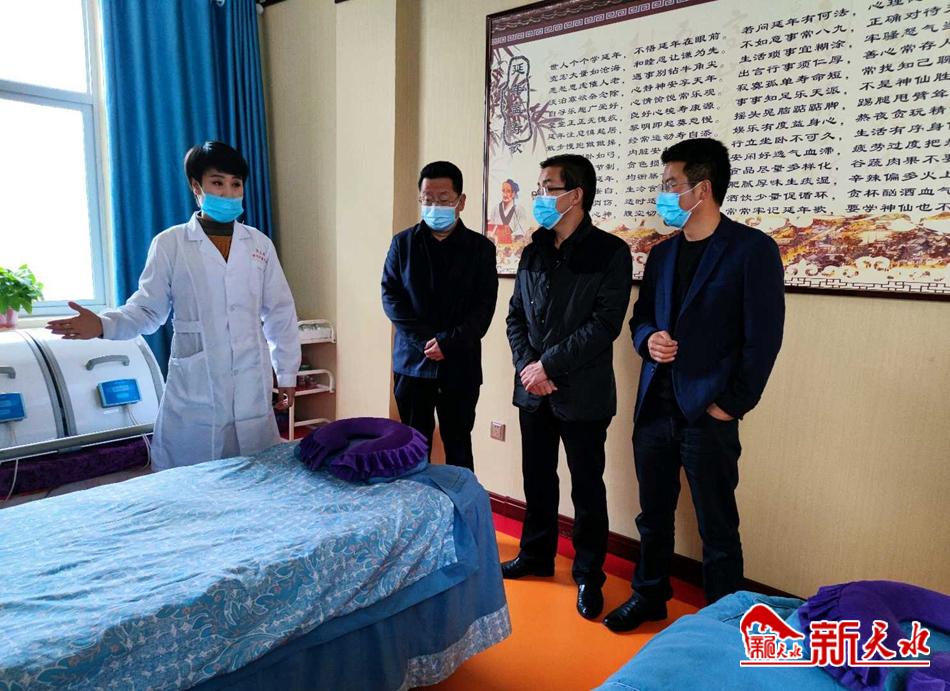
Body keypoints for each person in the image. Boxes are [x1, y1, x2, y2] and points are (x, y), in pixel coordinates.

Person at [603, 138, 785, 632]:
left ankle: (724, 624)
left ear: (702, 189)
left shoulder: (752, 250)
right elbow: (640, 319)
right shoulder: (663, 254)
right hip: (655, 407)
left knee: (717, 526)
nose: (663, 194)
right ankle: (649, 595)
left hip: (709, 411)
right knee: (652, 516)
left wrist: (731, 405)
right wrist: (648, 340)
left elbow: (764, 338)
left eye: (670, 184)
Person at [47, 141, 300, 471]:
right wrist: (103, 324)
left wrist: (287, 372)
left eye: (236, 184)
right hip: (197, 387)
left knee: (257, 473)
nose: (228, 193)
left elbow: (280, 311)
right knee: (191, 478)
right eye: (217, 183)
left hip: (252, 382)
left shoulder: (259, 245)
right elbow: (148, 310)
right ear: (196, 187)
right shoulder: (171, 243)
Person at [503, 153, 632, 620]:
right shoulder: (534, 250)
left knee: (587, 488)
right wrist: (528, 366)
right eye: (538, 188)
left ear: (575, 195)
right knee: (537, 478)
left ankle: (588, 575)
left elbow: (603, 326)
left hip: (583, 393)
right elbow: (515, 317)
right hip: (533, 390)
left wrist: (548, 365)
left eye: (548, 188)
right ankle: (536, 554)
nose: (540, 196)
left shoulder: (610, 253)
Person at [381, 161, 498, 472]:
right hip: (412, 363)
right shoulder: (403, 244)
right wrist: (424, 341)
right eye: (427, 199)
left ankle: (461, 502)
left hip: (460, 364)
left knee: (459, 444)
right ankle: (416, 502)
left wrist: (448, 343)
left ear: (461, 201)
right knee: (412, 446)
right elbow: (391, 298)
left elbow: (483, 308)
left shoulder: (481, 249)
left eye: (443, 199)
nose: (434, 206)